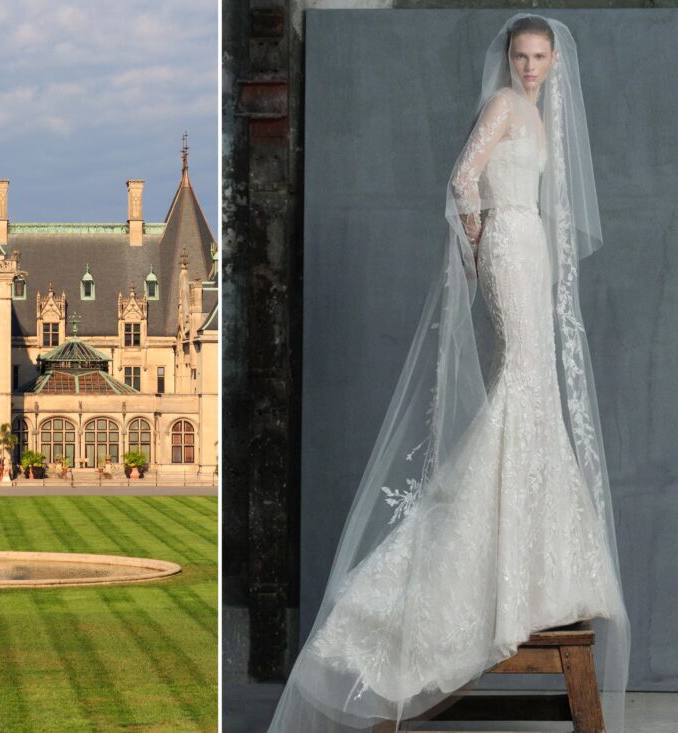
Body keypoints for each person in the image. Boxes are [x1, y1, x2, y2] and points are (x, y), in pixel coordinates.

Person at [267, 14, 631, 733]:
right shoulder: (502, 106)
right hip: (506, 244)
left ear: (554, 60)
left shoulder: (539, 111)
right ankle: (488, 567)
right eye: (520, 56)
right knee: (524, 384)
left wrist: (515, 236)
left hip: (527, 245)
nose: (528, 67)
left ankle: (528, 566)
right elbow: (464, 175)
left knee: (530, 392)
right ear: (509, 58)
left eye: (537, 57)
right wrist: (479, 237)